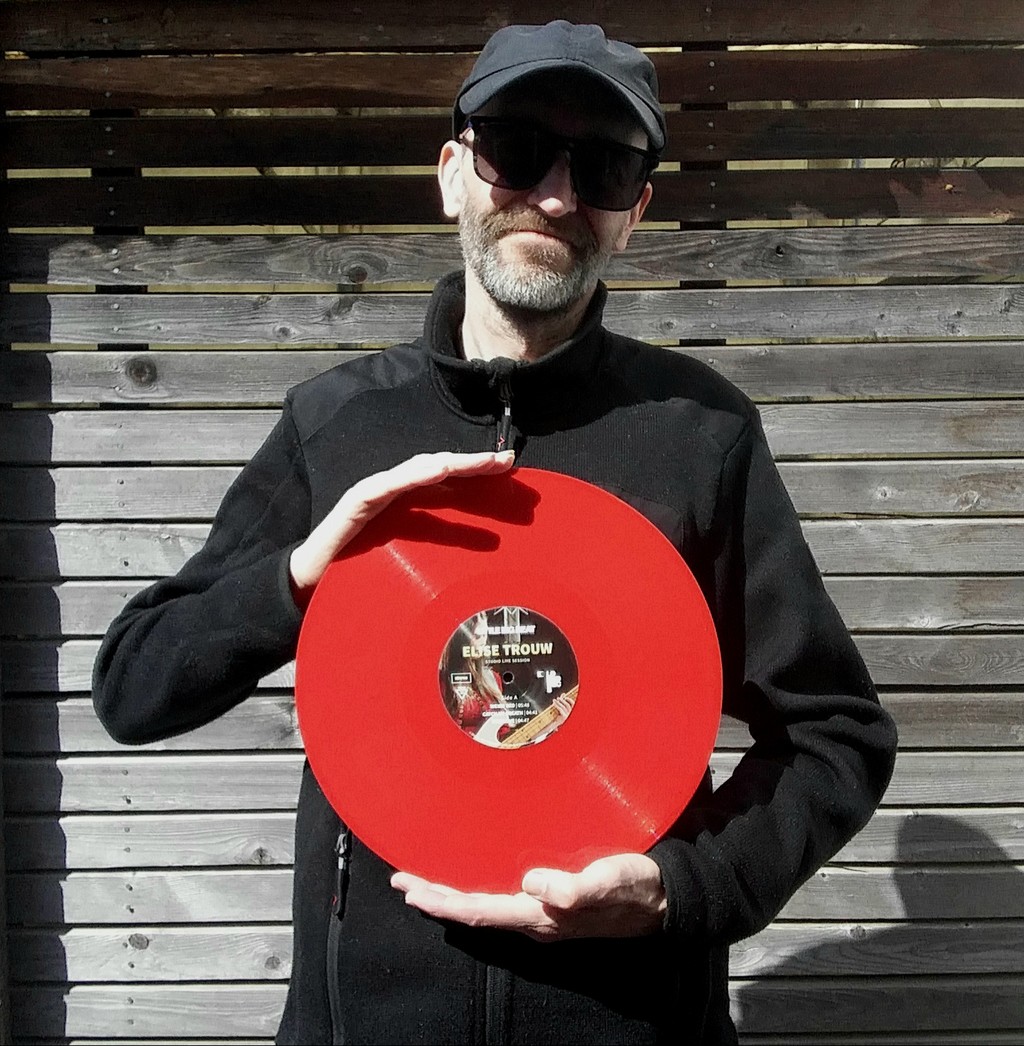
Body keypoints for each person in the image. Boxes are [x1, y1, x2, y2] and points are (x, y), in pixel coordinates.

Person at [93, 20, 898, 1045]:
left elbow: (836, 735)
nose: (556, 196)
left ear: (634, 213)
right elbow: (134, 685)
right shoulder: (335, 422)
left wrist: (677, 887)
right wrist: (297, 574)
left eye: (603, 168)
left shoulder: (701, 433)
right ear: (452, 175)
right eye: (516, 150)